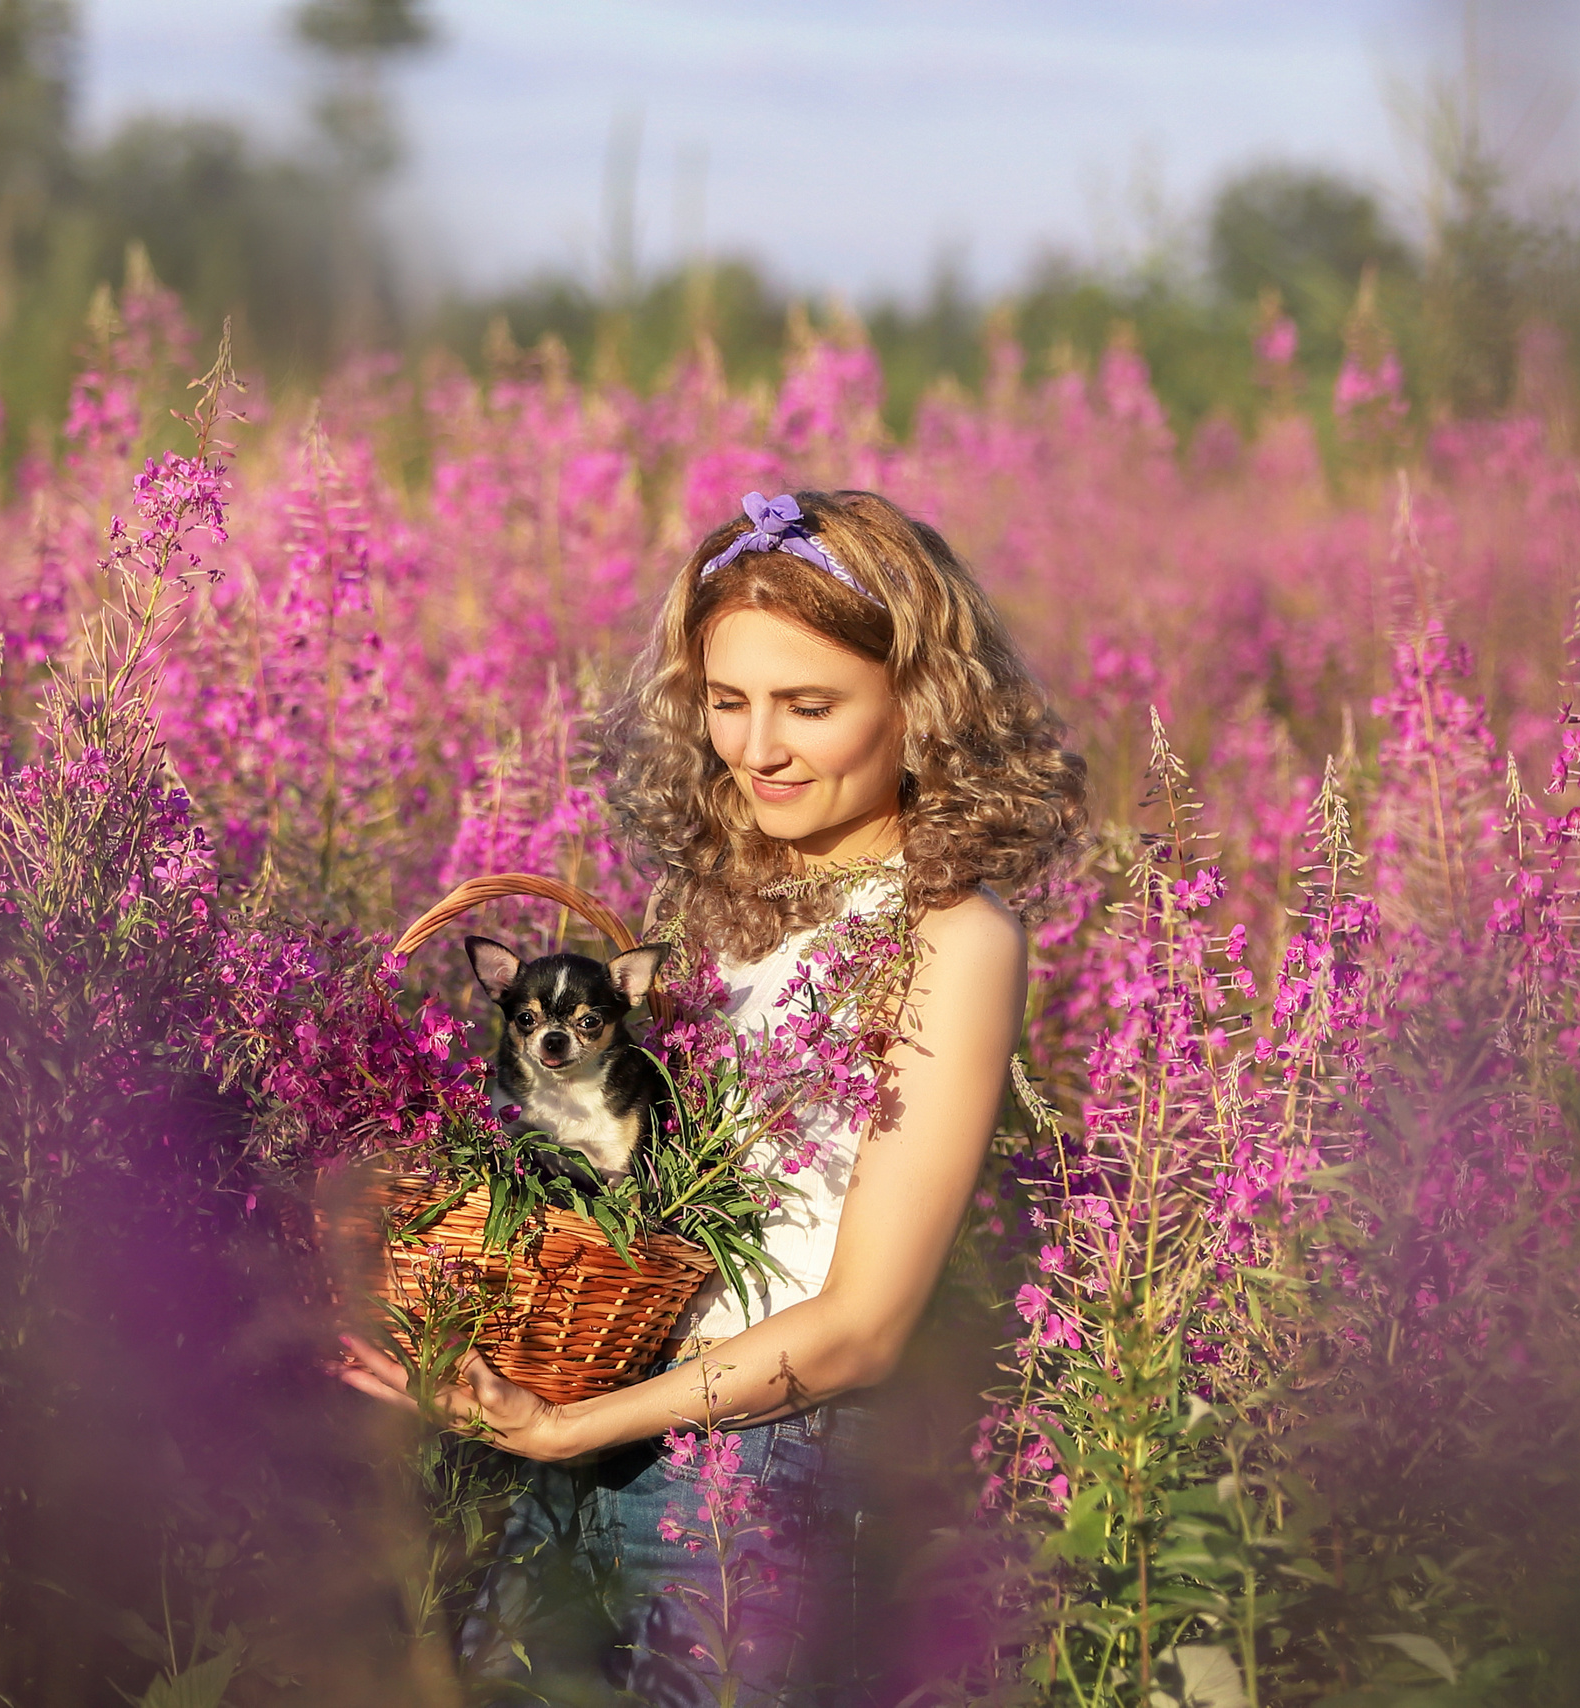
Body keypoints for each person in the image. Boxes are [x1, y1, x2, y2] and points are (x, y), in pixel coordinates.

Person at [339, 489, 1086, 1704]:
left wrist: (568, 1426)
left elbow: (862, 1327)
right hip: (597, 1418)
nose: (758, 748)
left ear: (922, 704)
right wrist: (468, 1337)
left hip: (762, 1465)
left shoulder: (952, 934)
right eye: (729, 703)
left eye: (810, 705)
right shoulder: (723, 909)